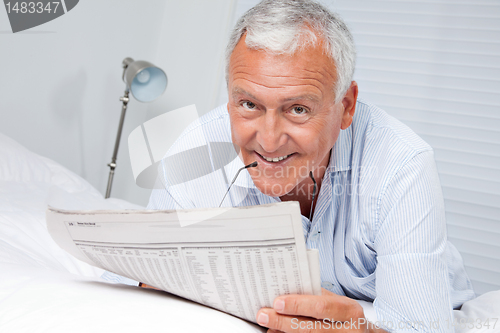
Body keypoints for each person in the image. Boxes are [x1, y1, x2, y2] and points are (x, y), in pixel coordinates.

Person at [145, 0, 475, 332]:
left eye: (298, 109)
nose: (269, 141)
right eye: (249, 104)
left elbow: (421, 326)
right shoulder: (196, 150)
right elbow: (145, 277)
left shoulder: (401, 164)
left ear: (345, 107)